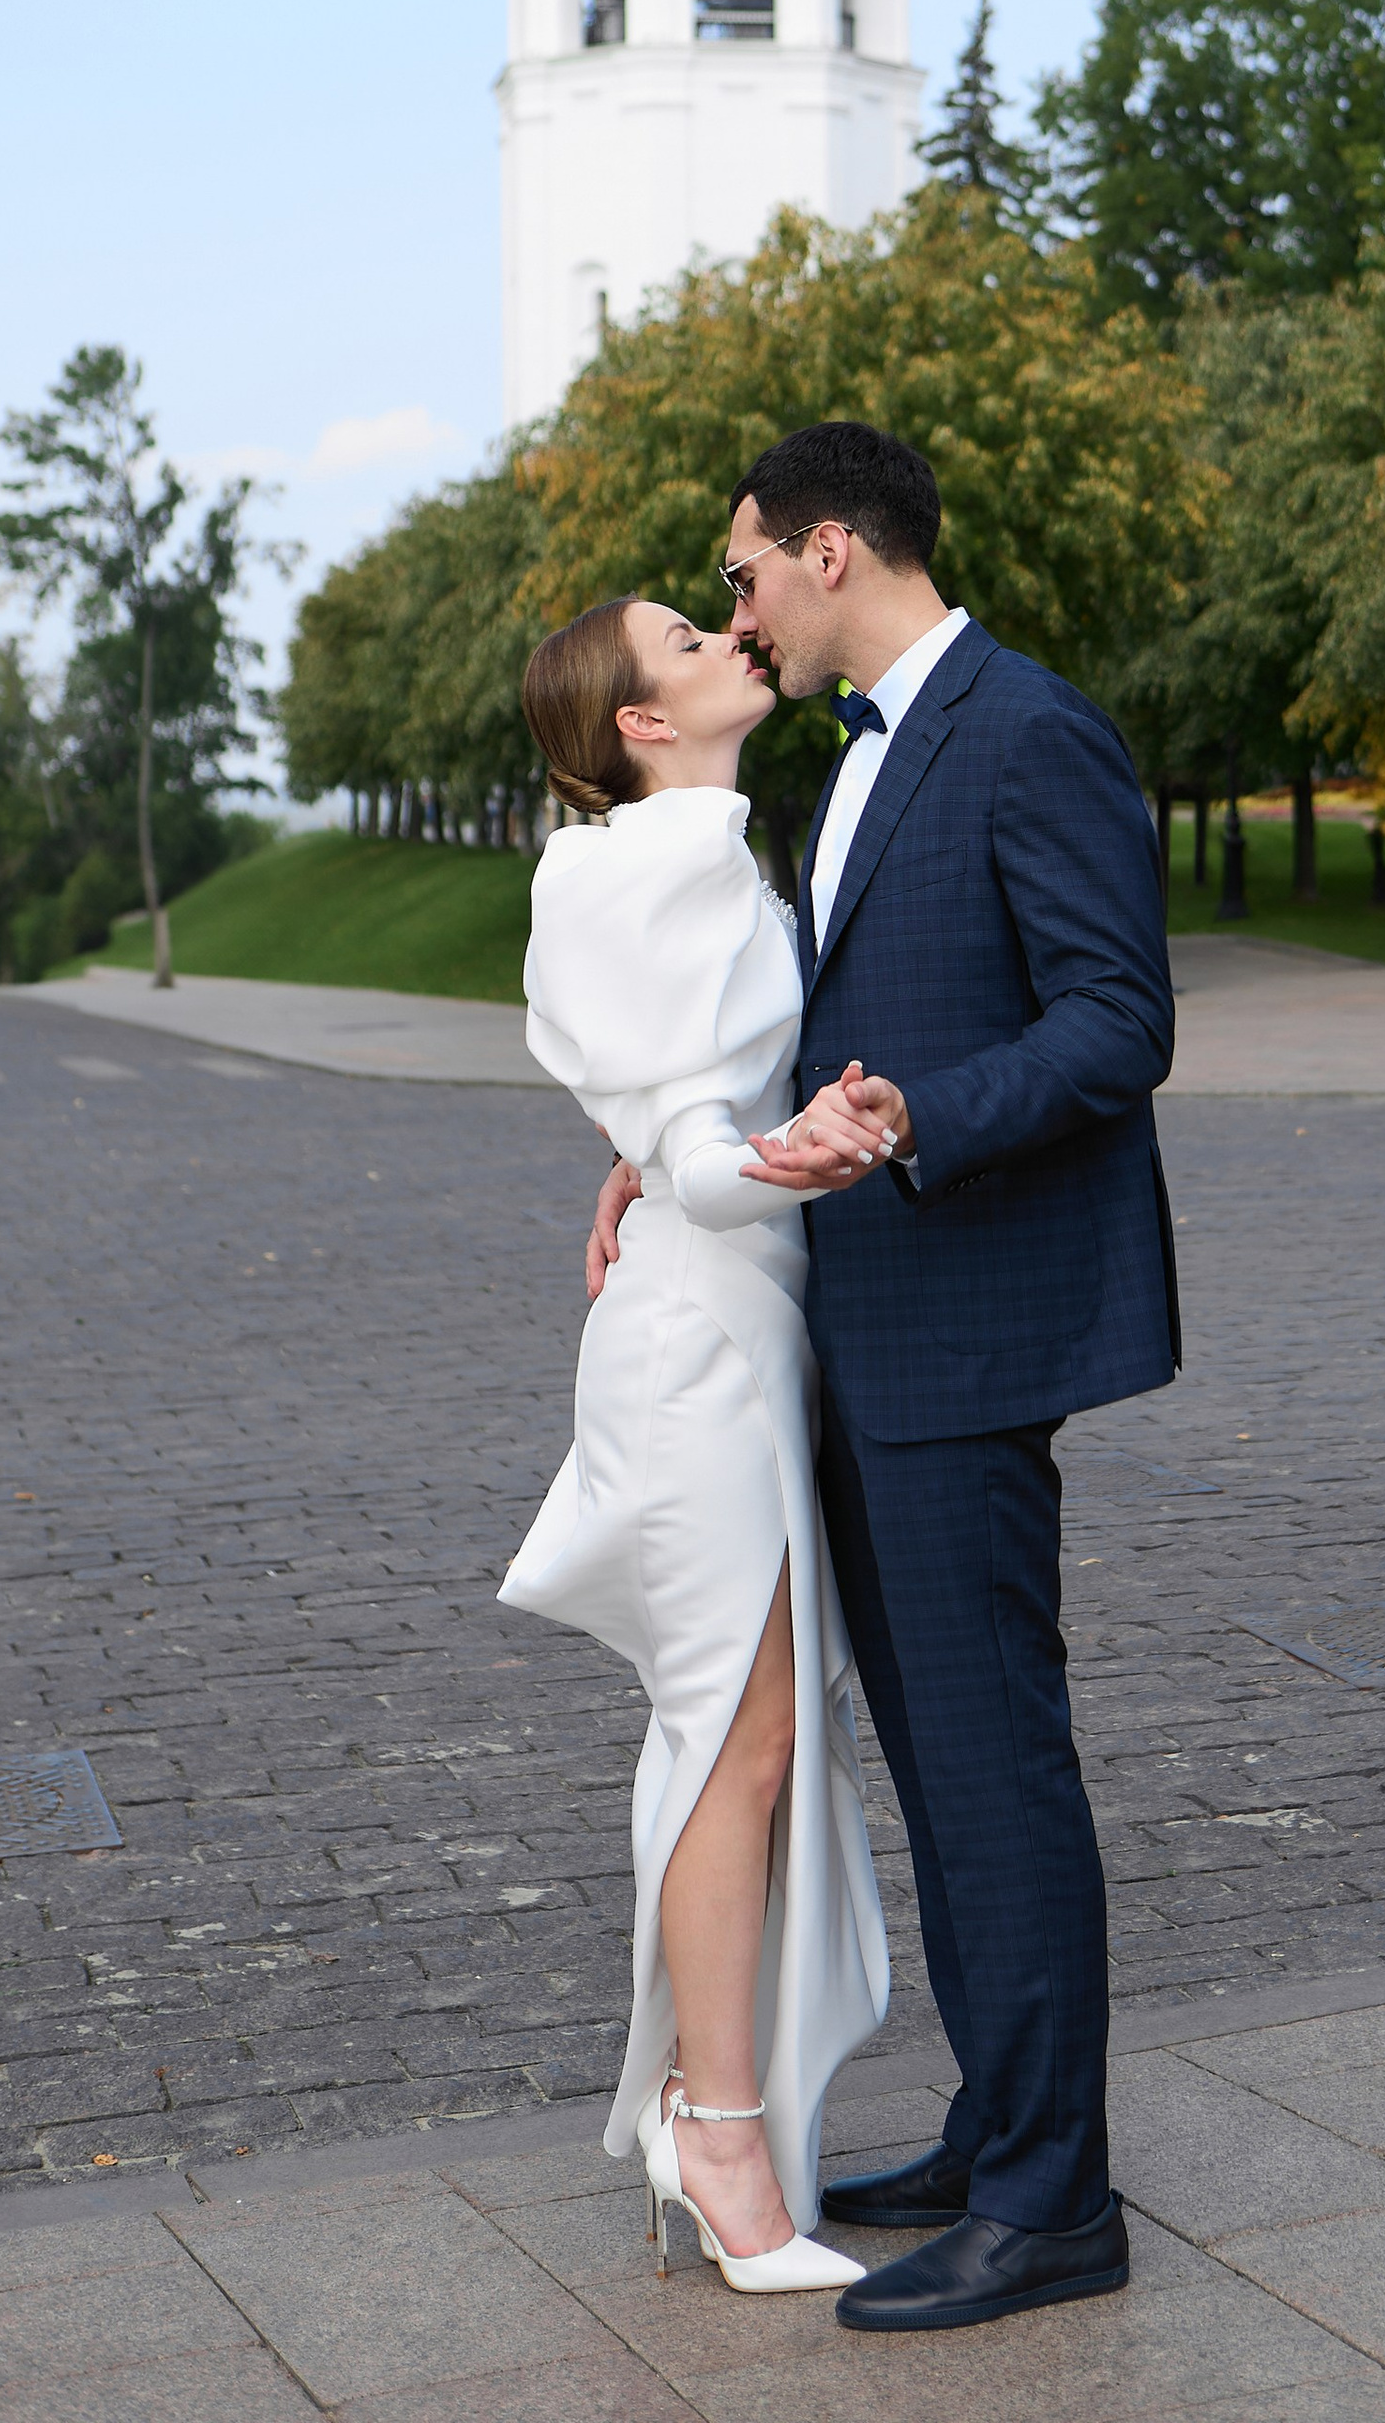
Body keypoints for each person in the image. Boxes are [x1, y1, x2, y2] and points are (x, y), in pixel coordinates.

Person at [586, 419, 1179, 2336]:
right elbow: (819, 1016)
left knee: (996, 1769)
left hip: (966, 1333)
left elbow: (1118, 1019)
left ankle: (1053, 2205)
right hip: (863, 1335)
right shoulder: (857, 753)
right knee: (941, 1767)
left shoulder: (1028, 726)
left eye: (744, 569)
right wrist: (670, 1151)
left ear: (829, 550)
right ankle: (1003, 2129)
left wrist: (923, 1116)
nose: (739, 604)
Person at [499, 593, 894, 2295]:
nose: (733, 634)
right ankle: (713, 2129)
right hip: (693, 1352)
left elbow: (682, 1124)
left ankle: (712, 2104)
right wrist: (799, 1149)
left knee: (749, 1741)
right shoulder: (630, 871)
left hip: (738, 1329)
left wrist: (705, 1149)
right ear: (640, 722)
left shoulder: (698, 852)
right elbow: (702, 1155)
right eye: (688, 635)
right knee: (735, 1742)